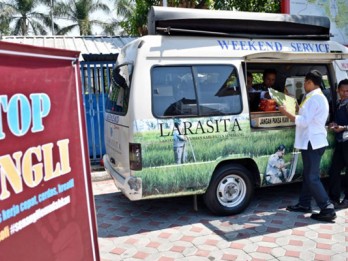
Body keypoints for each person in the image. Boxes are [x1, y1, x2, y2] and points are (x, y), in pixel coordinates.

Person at [278, 70, 336, 222]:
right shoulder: (313, 97)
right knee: (309, 175)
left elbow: (304, 121)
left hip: (312, 142)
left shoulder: (314, 98)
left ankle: (327, 208)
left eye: (305, 82)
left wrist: (285, 113)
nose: (303, 85)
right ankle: (304, 204)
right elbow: (305, 114)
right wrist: (295, 106)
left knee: (312, 177)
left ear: (310, 82)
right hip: (313, 141)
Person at [328, 79, 348, 209]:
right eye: (343, 91)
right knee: (334, 170)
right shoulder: (337, 103)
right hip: (341, 143)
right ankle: (334, 199)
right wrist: (334, 124)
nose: (345, 93)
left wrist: (343, 127)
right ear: (338, 91)